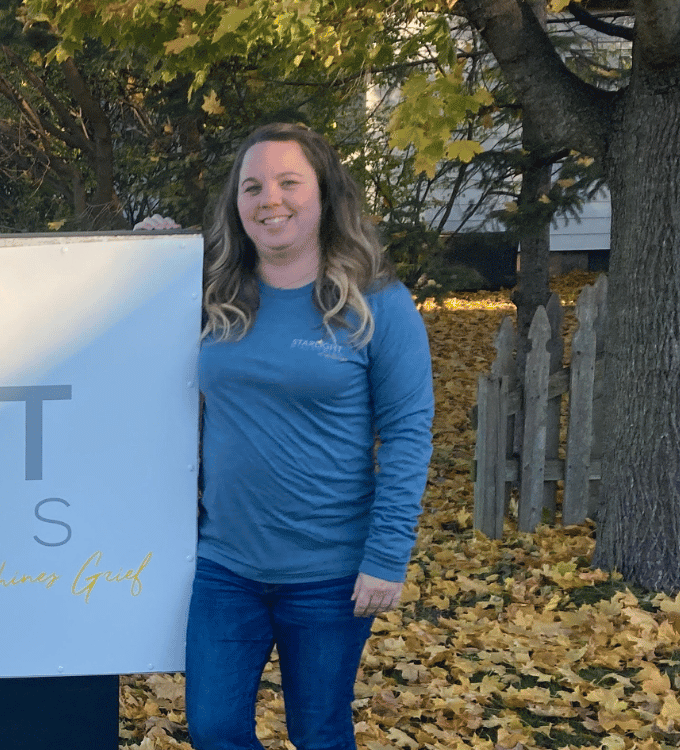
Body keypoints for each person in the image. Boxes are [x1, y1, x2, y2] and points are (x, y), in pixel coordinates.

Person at [189, 122, 434, 750]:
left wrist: (387, 556)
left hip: (330, 572)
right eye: (252, 186)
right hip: (225, 565)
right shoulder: (213, 295)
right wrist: (146, 254)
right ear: (236, 204)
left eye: (288, 182)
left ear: (324, 195)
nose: (270, 199)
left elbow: (407, 434)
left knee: (319, 732)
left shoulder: (378, 304)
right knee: (214, 729)